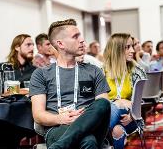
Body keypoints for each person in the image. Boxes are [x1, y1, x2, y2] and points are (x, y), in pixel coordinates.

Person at [29, 19, 111, 149]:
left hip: (93, 128)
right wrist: (61, 119)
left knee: (104, 103)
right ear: (60, 44)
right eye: (75, 37)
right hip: (58, 129)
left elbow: (103, 110)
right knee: (88, 141)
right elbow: (38, 115)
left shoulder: (94, 70)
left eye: (80, 35)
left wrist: (82, 120)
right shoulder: (41, 74)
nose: (82, 40)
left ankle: (60, 146)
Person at [103, 33, 147, 149]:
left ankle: (97, 137)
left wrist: (132, 114)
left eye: (132, 46)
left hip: (129, 117)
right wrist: (118, 101)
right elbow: (97, 101)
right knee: (117, 130)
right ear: (116, 49)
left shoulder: (137, 71)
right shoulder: (102, 71)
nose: (132, 50)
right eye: (127, 47)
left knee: (116, 107)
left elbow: (140, 102)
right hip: (107, 114)